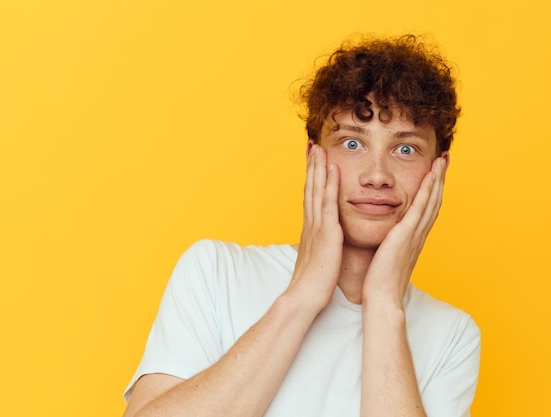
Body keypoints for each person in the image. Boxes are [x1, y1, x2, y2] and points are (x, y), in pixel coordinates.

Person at [122, 34, 481, 417]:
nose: (377, 176)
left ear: (437, 171)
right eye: (352, 144)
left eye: (405, 149)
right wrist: (305, 292)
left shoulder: (452, 335)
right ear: (314, 157)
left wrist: (384, 303)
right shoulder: (215, 271)